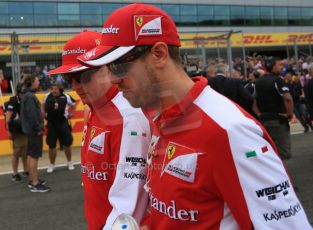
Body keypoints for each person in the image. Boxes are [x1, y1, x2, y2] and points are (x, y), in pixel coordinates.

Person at [78, 3, 312, 229]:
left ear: (158, 54)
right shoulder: (160, 118)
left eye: (117, 66)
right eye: (106, 69)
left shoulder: (228, 129)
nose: (112, 79)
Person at [48, 30, 151, 229]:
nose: (77, 86)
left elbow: (128, 208)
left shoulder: (127, 118)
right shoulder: (94, 109)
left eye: (84, 75)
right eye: (71, 78)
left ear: (110, 68)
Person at [253, 57, 294, 160]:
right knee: (283, 153)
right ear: (272, 67)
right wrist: (289, 114)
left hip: (264, 120)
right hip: (278, 121)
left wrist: (259, 114)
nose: (282, 67)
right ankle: (279, 174)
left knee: (267, 150)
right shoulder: (277, 80)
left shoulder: (258, 82)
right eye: (279, 65)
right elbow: (288, 98)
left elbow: (253, 101)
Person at [21, 73, 50, 193]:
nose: (39, 83)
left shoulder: (27, 95)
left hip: (31, 130)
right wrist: (39, 128)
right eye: (37, 81)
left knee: (30, 155)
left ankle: (32, 179)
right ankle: (35, 183)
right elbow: (33, 115)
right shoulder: (30, 96)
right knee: (34, 156)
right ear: (32, 82)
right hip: (34, 131)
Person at [43, 82, 77, 173]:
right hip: (51, 124)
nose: (54, 90)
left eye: (56, 89)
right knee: (51, 145)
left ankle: (69, 162)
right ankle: (52, 165)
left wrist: (72, 113)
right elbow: (43, 104)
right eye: (52, 88)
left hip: (63, 123)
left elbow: (74, 103)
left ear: (60, 89)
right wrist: (44, 113)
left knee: (67, 144)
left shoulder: (66, 96)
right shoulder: (47, 96)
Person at [5, 83, 28, 181]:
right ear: (18, 92)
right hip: (17, 130)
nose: (25, 94)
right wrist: (9, 131)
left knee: (25, 151)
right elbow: (8, 117)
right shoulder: (13, 101)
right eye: (23, 92)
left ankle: (26, 170)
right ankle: (15, 173)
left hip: (26, 128)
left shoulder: (27, 99)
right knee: (17, 151)